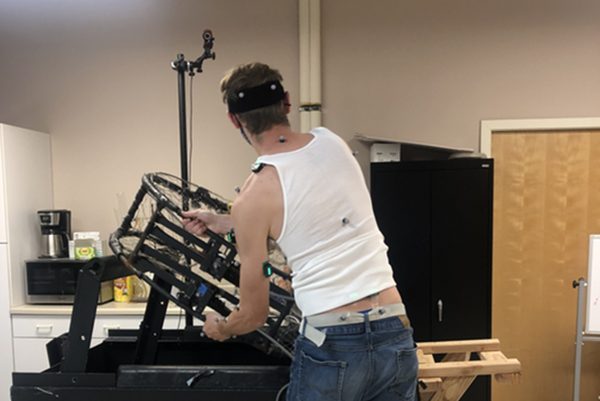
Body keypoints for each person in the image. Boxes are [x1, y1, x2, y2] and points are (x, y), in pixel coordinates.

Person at [182, 62, 418, 401]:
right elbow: (310, 214)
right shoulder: (332, 143)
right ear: (287, 102)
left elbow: (253, 314)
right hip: (394, 329)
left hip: (333, 341)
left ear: (234, 120)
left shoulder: (253, 196)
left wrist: (220, 327)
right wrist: (224, 221)